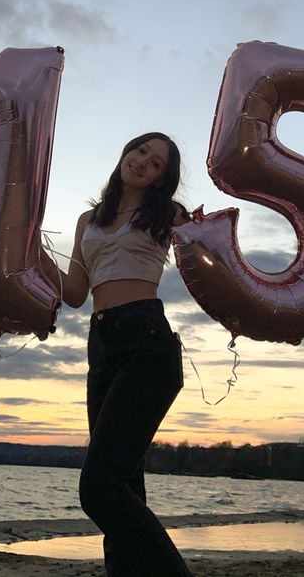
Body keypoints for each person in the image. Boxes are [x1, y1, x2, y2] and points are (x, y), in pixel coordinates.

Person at [40, 132, 194, 577]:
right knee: (125, 490)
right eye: (141, 151)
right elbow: (74, 293)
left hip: (147, 342)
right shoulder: (89, 219)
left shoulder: (166, 215)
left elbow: (210, 251)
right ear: (126, 153)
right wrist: (34, 249)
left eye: (158, 164)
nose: (145, 162)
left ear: (162, 180)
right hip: (102, 345)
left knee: (100, 490)